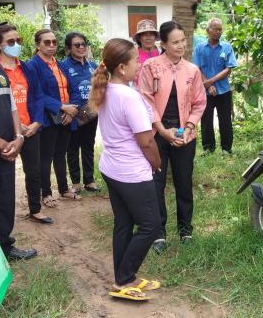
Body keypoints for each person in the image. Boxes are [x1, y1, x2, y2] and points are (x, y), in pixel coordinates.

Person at [89, 38, 161, 300]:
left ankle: (123, 278)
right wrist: (156, 163)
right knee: (150, 226)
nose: (139, 65)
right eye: (135, 61)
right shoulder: (129, 96)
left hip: (112, 168)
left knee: (124, 223)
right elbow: (146, 140)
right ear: (121, 67)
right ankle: (126, 278)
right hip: (131, 173)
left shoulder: (106, 89)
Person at [140, 21, 206, 254]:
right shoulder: (150, 66)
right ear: (163, 44)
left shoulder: (192, 70)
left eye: (183, 41)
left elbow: (199, 102)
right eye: (175, 42)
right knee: (156, 184)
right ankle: (159, 234)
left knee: (184, 181)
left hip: (185, 135)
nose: (181, 46)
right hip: (158, 134)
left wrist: (188, 128)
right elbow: (146, 101)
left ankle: (185, 229)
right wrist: (162, 130)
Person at [0, 18, 37, 259]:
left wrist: (18, 137)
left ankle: (4, 247)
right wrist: (2, 143)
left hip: (8, 149)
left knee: (5, 201)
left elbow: (12, 105)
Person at [0, 24, 53, 225]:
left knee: (34, 171)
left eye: (18, 40)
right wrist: (17, 127)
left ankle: (35, 209)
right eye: (10, 42)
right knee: (3, 176)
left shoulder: (27, 68)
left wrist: (37, 122)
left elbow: (38, 97)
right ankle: (0, 218)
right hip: (5, 132)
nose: (16, 44)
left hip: (31, 129)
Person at [28, 29, 81, 208]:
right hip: (48, 117)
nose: (51, 45)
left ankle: (64, 189)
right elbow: (38, 93)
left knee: (61, 154)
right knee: (46, 157)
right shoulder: (33, 65)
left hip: (66, 116)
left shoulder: (58, 63)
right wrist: (61, 107)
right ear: (38, 44)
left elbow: (71, 87)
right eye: (46, 42)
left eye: (54, 42)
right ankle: (47, 193)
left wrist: (70, 111)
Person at [193, 18, 238, 155]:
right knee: (206, 120)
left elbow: (228, 69)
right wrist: (206, 85)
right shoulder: (199, 48)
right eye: (215, 29)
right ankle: (208, 148)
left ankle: (226, 148)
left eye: (220, 29)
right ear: (208, 30)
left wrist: (210, 82)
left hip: (223, 90)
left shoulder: (226, 47)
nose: (218, 32)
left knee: (225, 120)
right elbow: (197, 68)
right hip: (204, 91)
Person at [62, 32, 99, 194]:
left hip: (91, 114)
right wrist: (69, 110)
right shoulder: (63, 67)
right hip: (73, 114)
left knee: (88, 146)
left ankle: (89, 180)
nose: (81, 47)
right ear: (69, 48)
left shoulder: (93, 66)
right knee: (72, 148)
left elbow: (100, 87)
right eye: (77, 45)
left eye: (83, 44)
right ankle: (76, 182)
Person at [132, 19, 160, 88]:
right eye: (144, 34)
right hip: (138, 92)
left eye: (151, 34)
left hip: (159, 92)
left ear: (155, 36)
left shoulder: (161, 52)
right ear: (139, 37)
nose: (148, 38)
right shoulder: (133, 53)